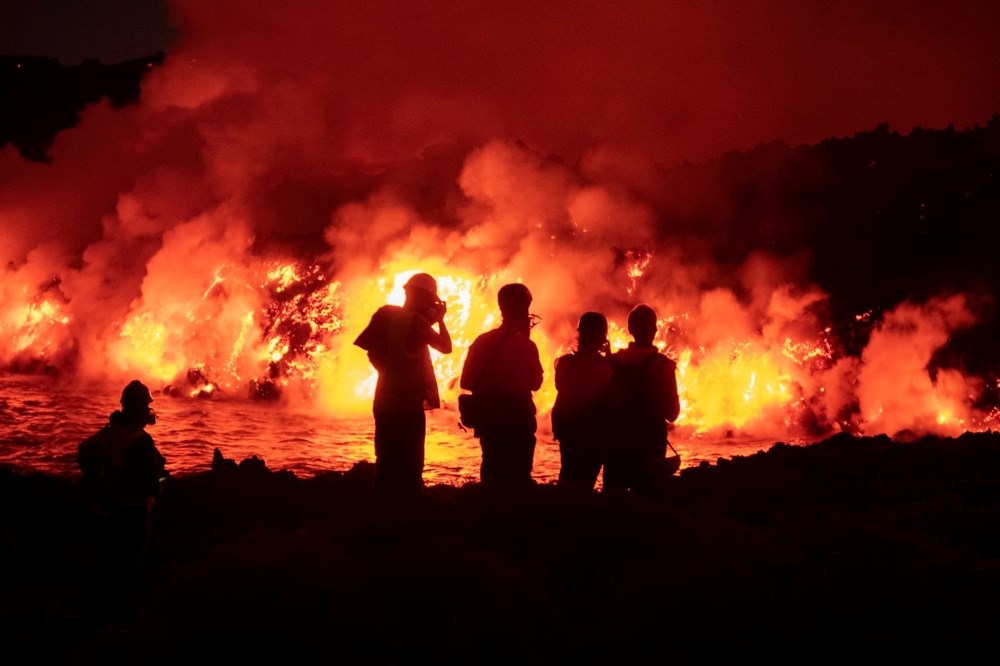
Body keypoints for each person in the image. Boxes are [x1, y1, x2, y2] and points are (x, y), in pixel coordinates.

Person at [354, 272, 452, 499]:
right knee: (410, 464)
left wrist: (387, 371)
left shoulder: (384, 314)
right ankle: (408, 514)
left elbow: (370, 349)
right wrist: (441, 321)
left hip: (383, 401)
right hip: (408, 407)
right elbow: (446, 347)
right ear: (423, 297)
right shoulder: (418, 323)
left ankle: (380, 510)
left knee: (385, 460)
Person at [77, 379, 166, 617]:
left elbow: (85, 452)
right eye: (146, 407)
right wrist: (163, 479)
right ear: (140, 409)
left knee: (112, 568)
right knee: (131, 572)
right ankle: (126, 623)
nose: (149, 412)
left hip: (110, 511)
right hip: (135, 515)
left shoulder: (111, 432)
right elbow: (152, 485)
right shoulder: (141, 441)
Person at [460, 283, 544, 489]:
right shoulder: (527, 345)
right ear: (524, 308)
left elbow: (466, 381)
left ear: (501, 307)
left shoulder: (482, 342)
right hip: (518, 417)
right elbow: (536, 383)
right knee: (519, 476)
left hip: (489, 418)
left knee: (492, 471)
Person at [604, 304, 681, 496]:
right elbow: (672, 413)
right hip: (650, 447)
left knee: (613, 503)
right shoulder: (664, 366)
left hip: (616, 445)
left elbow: (602, 405)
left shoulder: (612, 362)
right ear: (654, 330)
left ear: (630, 330)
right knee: (647, 503)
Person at [552, 312, 613, 490]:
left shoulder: (564, 363)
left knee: (567, 474)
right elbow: (608, 392)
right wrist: (609, 357)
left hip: (568, 429)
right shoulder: (604, 367)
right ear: (602, 337)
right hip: (592, 432)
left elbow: (561, 388)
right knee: (585, 480)